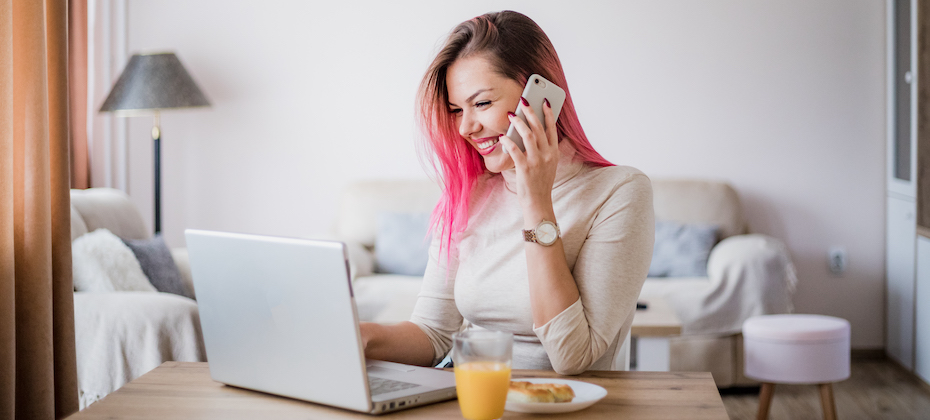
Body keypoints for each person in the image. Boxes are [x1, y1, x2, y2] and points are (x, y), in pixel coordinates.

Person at [359, 10, 654, 375]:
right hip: (474, 399)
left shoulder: (620, 192)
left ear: (540, 95)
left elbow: (572, 357)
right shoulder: (471, 192)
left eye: (482, 103)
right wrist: (362, 338)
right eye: (455, 110)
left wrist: (536, 202)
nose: (466, 127)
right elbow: (433, 333)